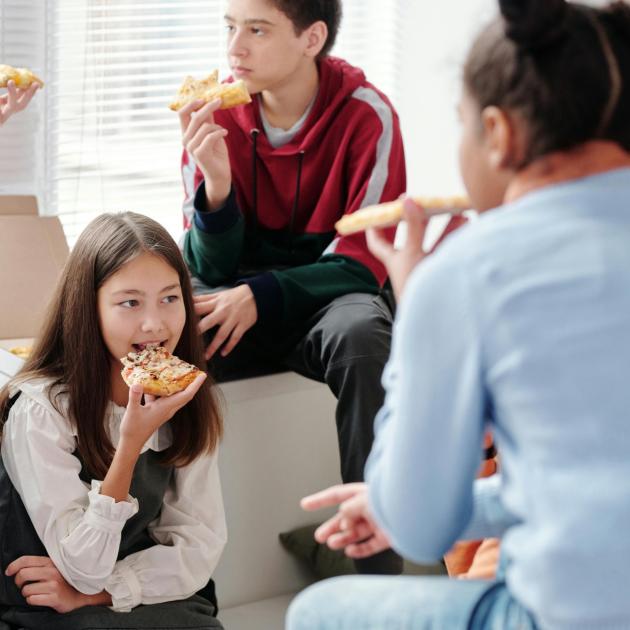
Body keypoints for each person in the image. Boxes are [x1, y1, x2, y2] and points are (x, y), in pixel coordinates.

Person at [286, 0, 630, 627]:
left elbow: (418, 528)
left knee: (319, 611)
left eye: (461, 123)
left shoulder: (469, 272)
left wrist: (417, 315)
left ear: (499, 135)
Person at [178, 0, 406, 574]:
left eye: (257, 30)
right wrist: (218, 186)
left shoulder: (367, 116)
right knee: (166, 337)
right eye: (230, 28)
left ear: (312, 38)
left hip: (331, 301)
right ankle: (164, 576)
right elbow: (208, 264)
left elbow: (364, 262)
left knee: (364, 335)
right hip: (236, 294)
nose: (235, 49)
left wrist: (263, 295)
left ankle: (378, 579)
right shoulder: (213, 117)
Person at [0, 212, 226, 629]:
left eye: (170, 298)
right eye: (130, 302)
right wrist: (129, 446)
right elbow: (81, 567)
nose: (155, 323)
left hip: (143, 598)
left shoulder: (186, 395)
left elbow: (197, 549)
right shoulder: (41, 410)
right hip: (44, 609)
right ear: (90, 308)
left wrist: (105, 591)